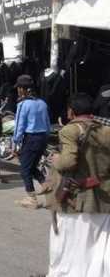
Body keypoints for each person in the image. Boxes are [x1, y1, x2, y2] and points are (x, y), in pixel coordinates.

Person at [46, 93, 110, 277]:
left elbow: (68, 162)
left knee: (70, 242)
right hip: (104, 197)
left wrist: (56, 159)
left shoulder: (70, 130)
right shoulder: (106, 130)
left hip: (77, 197)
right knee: (98, 244)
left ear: (71, 111)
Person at [12, 74, 52, 209]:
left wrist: (15, 143)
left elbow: (19, 126)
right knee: (32, 166)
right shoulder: (42, 103)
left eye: (19, 88)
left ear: (23, 89)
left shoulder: (23, 104)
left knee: (24, 169)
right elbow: (47, 124)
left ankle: (32, 199)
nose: (18, 91)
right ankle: (45, 184)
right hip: (43, 138)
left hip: (31, 138)